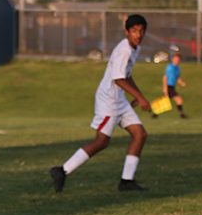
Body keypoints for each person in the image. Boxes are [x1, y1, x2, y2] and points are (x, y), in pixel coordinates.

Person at [50, 14, 151, 193]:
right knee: (101, 142)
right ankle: (62, 170)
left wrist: (138, 94)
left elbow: (126, 75)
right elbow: (118, 78)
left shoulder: (135, 48)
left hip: (119, 99)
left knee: (140, 134)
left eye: (141, 31)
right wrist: (140, 98)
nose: (138, 34)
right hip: (109, 102)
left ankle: (126, 181)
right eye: (134, 31)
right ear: (127, 32)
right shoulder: (124, 49)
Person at [159, 52, 187, 119]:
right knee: (177, 100)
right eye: (176, 59)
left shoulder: (177, 68)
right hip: (168, 86)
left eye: (178, 60)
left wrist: (181, 82)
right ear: (173, 59)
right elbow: (165, 77)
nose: (177, 61)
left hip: (172, 87)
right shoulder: (170, 67)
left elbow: (177, 77)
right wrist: (165, 88)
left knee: (169, 102)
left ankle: (155, 114)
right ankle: (181, 114)